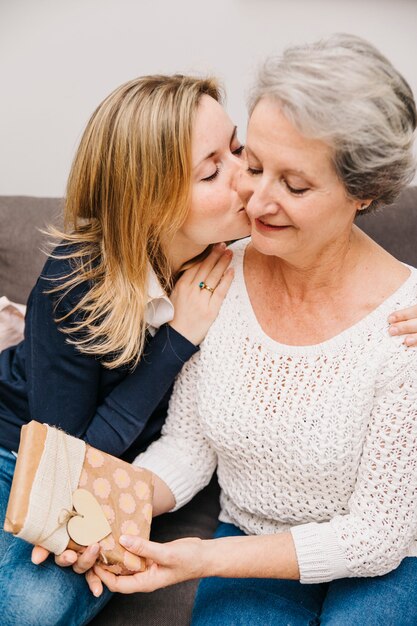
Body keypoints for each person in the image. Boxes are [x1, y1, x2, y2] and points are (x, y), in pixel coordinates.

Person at [89, 35, 417, 625]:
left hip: (391, 561)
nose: (255, 198)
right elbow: (188, 448)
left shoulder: (406, 325)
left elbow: (376, 536)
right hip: (249, 533)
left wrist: (204, 559)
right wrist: (106, 509)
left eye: (294, 186)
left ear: (363, 192)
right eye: (254, 164)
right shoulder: (217, 274)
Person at [0, 74, 251, 625]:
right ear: (149, 202)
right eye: (212, 170)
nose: (246, 177)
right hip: (20, 450)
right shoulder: (76, 280)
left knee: (30, 610)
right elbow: (66, 469)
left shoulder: (247, 255)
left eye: (237, 148)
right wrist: (176, 341)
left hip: (130, 481)